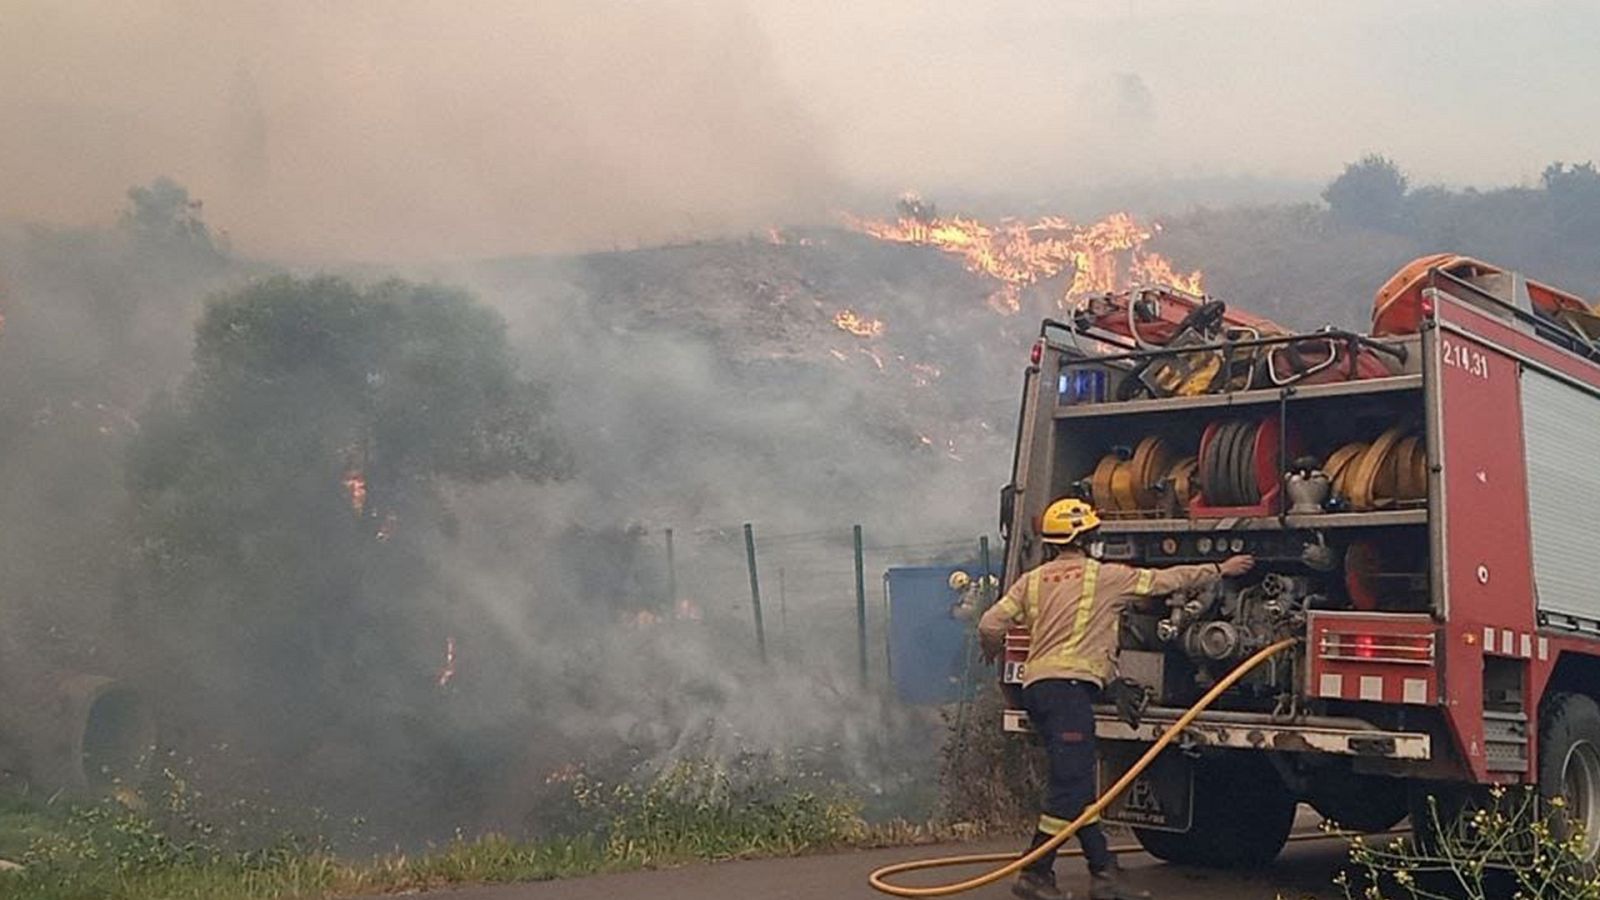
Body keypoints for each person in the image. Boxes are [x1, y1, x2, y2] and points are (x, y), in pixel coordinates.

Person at [979, 498, 1254, 900]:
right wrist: (1219, 569)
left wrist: (992, 649)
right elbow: (1166, 580)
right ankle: (1035, 871)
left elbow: (990, 623)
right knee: (1069, 788)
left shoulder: (1032, 581)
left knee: (1077, 784)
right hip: (1068, 692)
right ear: (1086, 538)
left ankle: (1104, 871)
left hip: (1038, 690)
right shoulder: (1105, 577)